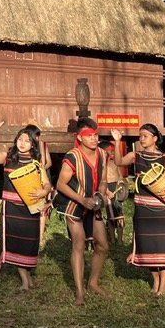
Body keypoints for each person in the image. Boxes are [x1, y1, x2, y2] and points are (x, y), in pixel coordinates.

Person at [113, 124, 165, 296]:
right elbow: (119, 161)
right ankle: (156, 281)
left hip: (161, 207)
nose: (141, 139)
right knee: (147, 246)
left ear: (154, 138)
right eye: (140, 135)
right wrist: (117, 142)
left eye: (145, 135)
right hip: (142, 207)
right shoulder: (136, 155)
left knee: (162, 246)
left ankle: (163, 285)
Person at [54, 116, 113, 305]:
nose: (94, 139)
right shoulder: (72, 156)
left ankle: (93, 282)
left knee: (102, 245)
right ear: (79, 138)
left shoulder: (103, 155)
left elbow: (103, 180)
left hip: (93, 203)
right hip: (73, 205)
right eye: (89, 136)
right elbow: (60, 185)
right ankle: (79, 292)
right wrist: (82, 200)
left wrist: (101, 195)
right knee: (78, 244)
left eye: (96, 135)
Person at [0, 117, 52, 289]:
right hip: (11, 208)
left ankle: (28, 276)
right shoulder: (9, 157)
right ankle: (24, 279)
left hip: (30, 209)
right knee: (15, 241)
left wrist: (43, 191)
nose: (22, 143)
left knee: (29, 241)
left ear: (33, 144)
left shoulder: (36, 163)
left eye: (27, 140)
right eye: (20, 139)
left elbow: (47, 184)